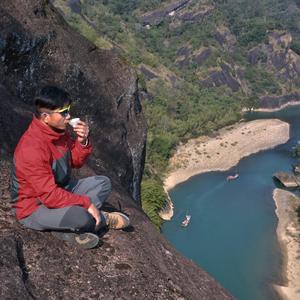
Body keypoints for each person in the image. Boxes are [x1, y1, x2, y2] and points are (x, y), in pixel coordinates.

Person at [10, 86, 130, 249]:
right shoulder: (31, 148)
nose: (68, 116)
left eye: (68, 111)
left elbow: (74, 161)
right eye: (64, 112)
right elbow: (50, 197)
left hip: (60, 190)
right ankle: (102, 219)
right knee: (82, 218)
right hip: (35, 207)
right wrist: (86, 203)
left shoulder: (58, 133)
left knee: (103, 183)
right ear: (46, 116)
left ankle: (65, 227)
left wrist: (83, 141)